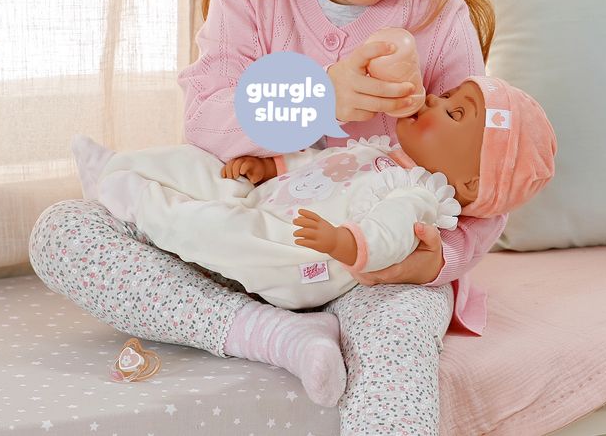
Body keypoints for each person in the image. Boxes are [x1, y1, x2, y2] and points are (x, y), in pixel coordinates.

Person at [31, 0, 500, 433]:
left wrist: (434, 263)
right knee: (64, 233)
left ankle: (334, 327)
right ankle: (270, 335)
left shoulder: (438, 16)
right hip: (244, 238)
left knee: (403, 332)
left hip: (366, 265)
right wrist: (322, 97)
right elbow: (207, 121)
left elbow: (487, 175)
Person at [73, 76, 555, 313]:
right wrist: (271, 166)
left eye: (454, 113)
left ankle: (135, 202)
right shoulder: (382, 153)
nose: (434, 97)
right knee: (201, 166)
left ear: (471, 183)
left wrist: (343, 243)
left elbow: (387, 238)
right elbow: (324, 165)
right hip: (270, 203)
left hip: (301, 258)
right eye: (449, 96)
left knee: (214, 228)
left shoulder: (418, 196)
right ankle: (118, 165)